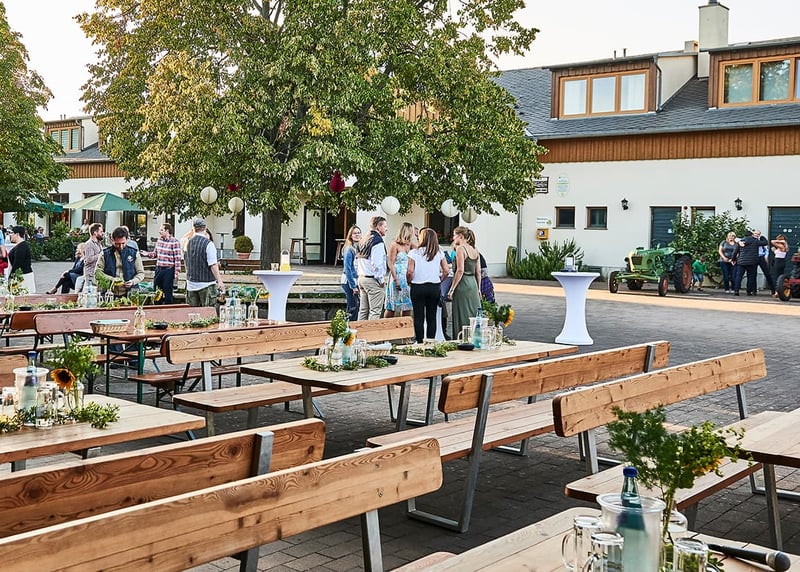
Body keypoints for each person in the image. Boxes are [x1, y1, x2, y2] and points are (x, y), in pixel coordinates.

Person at [407, 228, 449, 343]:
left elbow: (410, 271)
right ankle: (430, 342)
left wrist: (409, 281)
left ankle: (420, 341)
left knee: (418, 316)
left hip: (418, 286)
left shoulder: (414, 253)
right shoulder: (439, 253)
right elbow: (446, 270)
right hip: (434, 286)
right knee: (432, 317)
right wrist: (440, 280)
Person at [446, 226, 481, 340]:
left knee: (461, 313)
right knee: (472, 314)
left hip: (463, 284)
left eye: (454, 235)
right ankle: (474, 339)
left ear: (460, 236)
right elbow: (478, 272)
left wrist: (452, 289)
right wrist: (479, 289)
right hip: (473, 284)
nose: (453, 238)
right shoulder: (475, 249)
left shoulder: (461, 249)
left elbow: (460, 270)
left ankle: (462, 339)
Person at [184, 218, 225, 307]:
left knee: (193, 313)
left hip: (191, 284)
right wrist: (220, 281)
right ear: (205, 228)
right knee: (208, 313)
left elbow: (186, 261)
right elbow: (213, 265)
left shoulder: (188, 242)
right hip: (206, 284)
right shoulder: (209, 244)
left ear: (194, 228)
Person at [96, 226, 145, 297]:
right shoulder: (104, 254)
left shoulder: (134, 253)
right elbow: (97, 272)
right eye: (117, 244)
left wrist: (133, 281)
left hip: (130, 293)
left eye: (123, 243)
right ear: (112, 240)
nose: (121, 246)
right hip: (109, 293)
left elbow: (141, 273)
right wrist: (112, 280)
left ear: (127, 240)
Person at [357, 216, 389, 320]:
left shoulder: (363, 239)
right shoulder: (377, 241)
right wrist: (381, 280)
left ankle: (358, 329)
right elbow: (377, 264)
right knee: (375, 311)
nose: (387, 229)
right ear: (378, 227)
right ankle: (372, 331)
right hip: (372, 280)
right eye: (385, 226)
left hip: (362, 277)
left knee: (363, 310)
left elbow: (356, 260)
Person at [144, 223, 182, 304]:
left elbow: (177, 259)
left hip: (168, 270)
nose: (159, 232)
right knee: (157, 292)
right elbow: (155, 254)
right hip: (159, 269)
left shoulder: (174, 242)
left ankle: (168, 308)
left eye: (161, 230)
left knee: (168, 292)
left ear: (167, 231)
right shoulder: (159, 240)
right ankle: (157, 307)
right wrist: (147, 254)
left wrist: (176, 273)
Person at [384, 222, 413, 318]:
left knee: (407, 305)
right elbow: (391, 263)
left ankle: (404, 325)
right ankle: (386, 325)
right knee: (392, 306)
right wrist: (396, 279)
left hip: (407, 277)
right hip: (397, 275)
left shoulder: (410, 245)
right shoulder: (395, 244)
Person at [734, 230, 767, 296]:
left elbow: (735, 251)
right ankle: (749, 291)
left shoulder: (741, 241)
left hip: (741, 262)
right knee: (751, 277)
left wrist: (733, 259)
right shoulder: (755, 241)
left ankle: (736, 290)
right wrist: (762, 237)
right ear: (752, 235)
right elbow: (765, 243)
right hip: (752, 262)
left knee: (739, 276)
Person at [465, 229, 495, 302]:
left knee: (479, 304)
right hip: (485, 281)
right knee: (487, 304)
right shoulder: (475, 250)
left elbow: (478, 271)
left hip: (479, 281)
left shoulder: (469, 252)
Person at [340, 225, 362, 321]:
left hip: (356, 279)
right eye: (354, 233)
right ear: (350, 235)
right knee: (353, 307)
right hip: (348, 280)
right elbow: (347, 268)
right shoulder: (349, 249)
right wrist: (353, 286)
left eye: (358, 233)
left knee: (356, 306)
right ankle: (349, 326)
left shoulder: (358, 247)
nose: (357, 235)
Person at [7, 226, 35, 293]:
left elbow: (17, 264)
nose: (10, 235)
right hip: (20, 276)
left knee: (23, 296)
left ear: (17, 234)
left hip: (24, 277)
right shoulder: (20, 246)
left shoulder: (22, 247)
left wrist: (10, 278)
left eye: (12, 233)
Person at [82, 223, 105, 289]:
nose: (102, 233)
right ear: (95, 232)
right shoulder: (89, 244)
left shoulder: (98, 243)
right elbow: (89, 259)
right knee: (91, 292)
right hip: (91, 274)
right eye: (101, 231)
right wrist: (101, 255)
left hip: (97, 273)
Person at [752, 230, 776, 296]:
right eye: (755, 233)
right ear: (753, 234)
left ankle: (773, 289)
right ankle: (753, 290)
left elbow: (766, 250)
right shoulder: (751, 241)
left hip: (761, 257)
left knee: (767, 273)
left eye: (758, 234)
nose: (756, 235)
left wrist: (766, 257)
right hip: (754, 257)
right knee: (753, 274)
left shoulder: (762, 241)